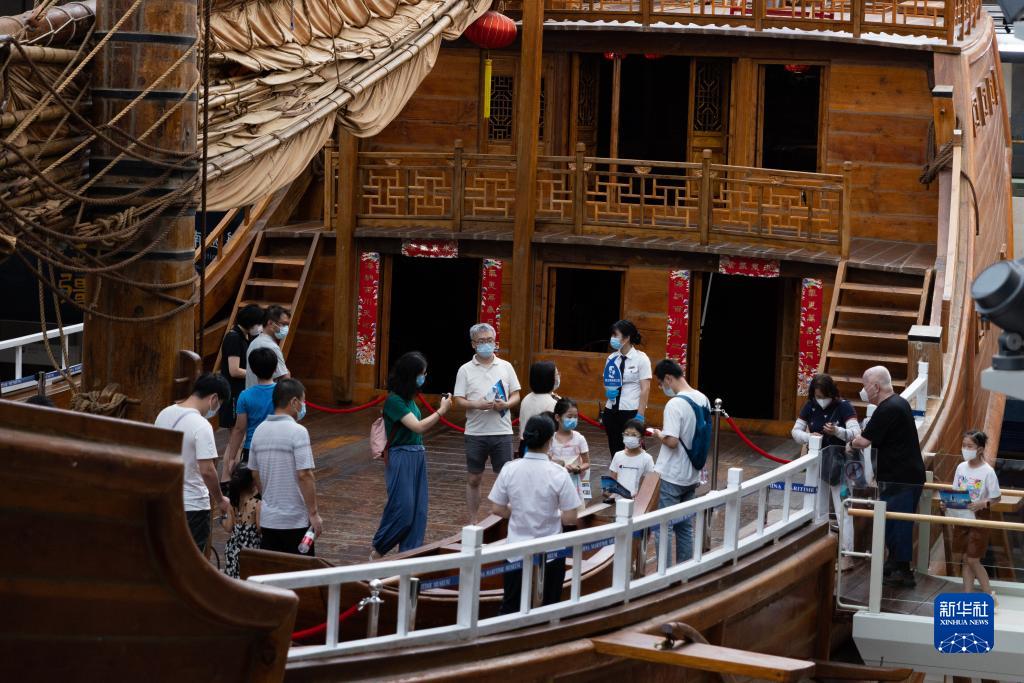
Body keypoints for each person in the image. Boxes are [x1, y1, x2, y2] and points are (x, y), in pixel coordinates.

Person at [489, 414, 581, 615]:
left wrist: (517, 512)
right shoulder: (558, 473)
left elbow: (497, 508)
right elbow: (570, 518)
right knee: (550, 606)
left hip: (515, 549)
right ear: (550, 441)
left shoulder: (510, 469)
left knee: (511, 606)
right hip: (551, 551)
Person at [370, 352, 452, 559]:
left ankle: (408, 557)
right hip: (401, 456)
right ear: (410, 375)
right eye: (421, 374)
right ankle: (378, 550)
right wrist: (441, 411)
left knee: (418, 512)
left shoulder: (410, 400)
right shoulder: (394, 401)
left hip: (417, 455)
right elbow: (418, 427)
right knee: (403, 509)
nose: (424, 377)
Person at [851, 365, 925, 588]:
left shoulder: (888, 409)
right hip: (902, 475)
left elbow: (863, 441)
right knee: (894, 523)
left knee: (898, 524)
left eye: (865, 385)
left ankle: (903, 571)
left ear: (875, 386)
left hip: (900, 478)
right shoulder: (899, 403)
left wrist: (849, 442)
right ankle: (894, 563)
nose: (863, 391)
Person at [154, 373, 232, 552]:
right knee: (189, 559)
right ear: (213, 399)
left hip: (164, 500)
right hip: (192, 506)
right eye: (219, 404)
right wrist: (220, 500)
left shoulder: (164, 414)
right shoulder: (201, 425)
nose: (216, 409)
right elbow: (207, 470)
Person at [454, 322, 521, 524]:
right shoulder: (465, 370)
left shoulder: (506, 366)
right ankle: (473, 521)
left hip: (502, 431)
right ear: (473, 344)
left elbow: (516, 394)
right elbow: (458, 399)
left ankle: (503, 521)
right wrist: (477, 404)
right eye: (481, 341)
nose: (486, 344)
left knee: (504, 478)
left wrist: (506, 404)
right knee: (474, 477)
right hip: (475, 432)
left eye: (490, 340)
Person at [792, 373, 860, 564]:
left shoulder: (844, 406)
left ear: (832, 393)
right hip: (817, 462)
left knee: (843, 509)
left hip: (840, 463)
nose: (821, 400)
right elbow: (795, 431)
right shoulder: (810, 406)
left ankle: (847, 554)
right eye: (817, 396)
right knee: (818, 508)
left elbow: (856, 433)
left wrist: (837, 431)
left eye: (824, 396)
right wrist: (809, 437)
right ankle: (821, 551)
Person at [248, 378, 322, 555]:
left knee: (273, 568)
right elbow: (304, 475)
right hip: (295, 520)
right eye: (303, 401)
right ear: (294, 402)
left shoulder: (259, 430)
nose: (303, 406)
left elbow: (254, 472)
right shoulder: (298, 432)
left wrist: (269, 497)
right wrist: (313, 513)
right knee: (299, 570)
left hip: (268, 520)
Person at [649, 358, 710, 564]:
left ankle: (663, 573)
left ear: (668, 378)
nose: (661, 388)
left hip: (672, 474)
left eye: (660, 383)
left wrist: (659, 434)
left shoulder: (674, 404)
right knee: (685, 526)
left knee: (663, 527)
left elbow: (672, 441)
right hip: (692, 472)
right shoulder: (703, 399)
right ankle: (684, 570)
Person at [942, 430, 1001, 601]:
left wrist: (982, 503)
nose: (965, 449)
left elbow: (996, 497)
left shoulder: (988, 471)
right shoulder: (961, 467)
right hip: (961, 515)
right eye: (964, 445)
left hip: (979, 518)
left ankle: (989, 594)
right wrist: (947, 503)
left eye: (970, 446)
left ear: (980, 449)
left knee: (973, 558)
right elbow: (956, 492)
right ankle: (967, 596)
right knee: (965, 558)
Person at [221, 347, 278, 490]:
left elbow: (239, 429)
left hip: (252, 448)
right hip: (277, 446)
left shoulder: (245, 395)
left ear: (252, 369)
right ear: (275, 367)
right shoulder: (281, 392)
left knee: (251, 491)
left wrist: (232, 457)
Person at [601, 320, 652, 458]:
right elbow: (606, 381)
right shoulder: (611, 358)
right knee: (615, 451)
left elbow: (645, 388)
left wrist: (640, 415)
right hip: (611, 410)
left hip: (630, 411)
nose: (612, 338)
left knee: (635, 450)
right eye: (612, 335)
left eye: (615, 335)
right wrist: (608, 390)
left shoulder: (641, 359)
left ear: (627, 337)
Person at [219, 304, 264, 428]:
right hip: (233, 391)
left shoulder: (246, 336)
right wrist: (257, 374)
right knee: (236, 429)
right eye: (258, 323)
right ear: (250, 322)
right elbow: (234, 370)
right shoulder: (233, 337)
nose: (260, 327)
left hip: (243, 389)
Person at [549, 397, 590, 506]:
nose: (573, 420)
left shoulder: (579, 439)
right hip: (555, 483)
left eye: (576, 417)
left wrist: (578, 468)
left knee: (575, 509)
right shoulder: (550, 439)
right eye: (569, 416)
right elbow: (546, 461)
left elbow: (587, 463)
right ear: (557, 417)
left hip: (574, 484)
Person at [223, 463, 261, 579]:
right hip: (250, 550)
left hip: (233, 549)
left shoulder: (232, 504)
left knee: (233, 580)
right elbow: (260, 528)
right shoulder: (257, 504)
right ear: (253, 484)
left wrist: (222, 519)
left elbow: (228, 527)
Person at [517, 361, 560, 457]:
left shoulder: (526, 398)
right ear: (548, 379)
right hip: (542, 448)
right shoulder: (552, 402)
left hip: (524, 445)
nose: (558, 377)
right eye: (556, 375)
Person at [245, 305, 290, 389]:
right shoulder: (272, 347)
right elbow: (285, 379)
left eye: (287, 325)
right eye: (283, 324)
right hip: (268, 396)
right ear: (270, 323)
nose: (286, 328)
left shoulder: (254, 343)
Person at [609, 418, 656, 497]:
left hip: (637, 501)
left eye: (634, 435)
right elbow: (612, 481)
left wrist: (639, 496)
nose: (629, 438)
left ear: (641, 438)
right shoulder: (618, 455)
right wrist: (609, 492)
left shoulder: (647, 459)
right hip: (618, 500)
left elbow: (648, 484)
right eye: (626, 434)